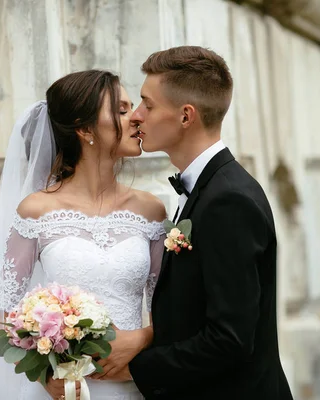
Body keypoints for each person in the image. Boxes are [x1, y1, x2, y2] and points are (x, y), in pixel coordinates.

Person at [94, 46, 294, 399]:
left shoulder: (227, 201)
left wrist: (135, 368)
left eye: (147, 104)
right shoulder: (209, 188)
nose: (136, 116)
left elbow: (229, 340)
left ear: (186, 116)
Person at [0, 69, 166, 400]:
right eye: (122, 109)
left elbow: (169, 312)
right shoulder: (36, 211)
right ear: (85, 129)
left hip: (133, 385)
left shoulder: (151, 211)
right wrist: (43, 372)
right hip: (67, 391)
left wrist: (142, 337)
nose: (136, 118)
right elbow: (0, 316)